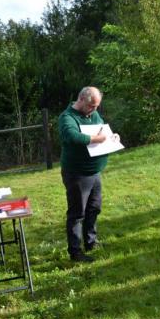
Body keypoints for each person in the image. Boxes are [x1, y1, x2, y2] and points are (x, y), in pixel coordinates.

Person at [58, 86, 116, 263]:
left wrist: (113, 137)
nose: (95, 109)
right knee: (77, 213)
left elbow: (102, 130)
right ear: (81, 100)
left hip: (94, 172)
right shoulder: (67, 118)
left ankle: (91, 242)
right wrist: (94, 139)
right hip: (77, 174)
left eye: (97, 106)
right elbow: (73, 137)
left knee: (94, 208)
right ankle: (75, 252)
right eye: (92, 106)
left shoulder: (93, 114)